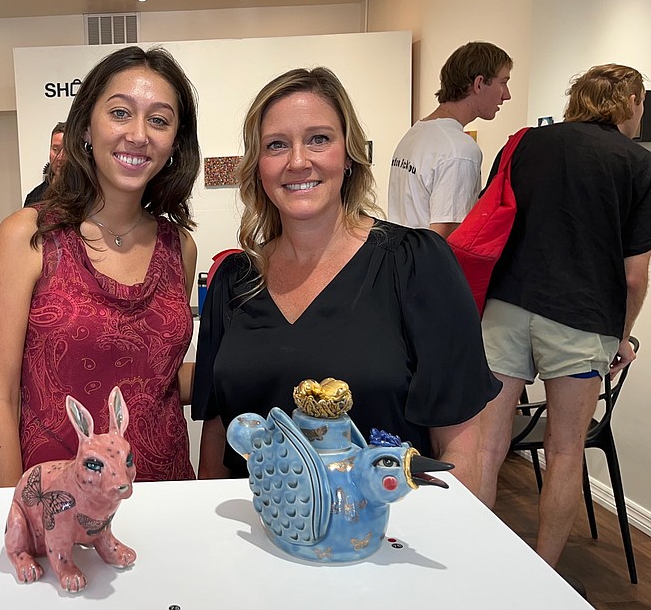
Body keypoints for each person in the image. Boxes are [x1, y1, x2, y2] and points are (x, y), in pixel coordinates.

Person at [193, 67, 500, 495]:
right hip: (260, 539)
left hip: (382, 542)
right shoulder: (235, 282)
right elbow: (217, 444)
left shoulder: (416, 265)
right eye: (276, 145)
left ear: (349, 153)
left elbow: (462, 448)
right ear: (258, 166)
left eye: (319, 139)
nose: (298, 161)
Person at [0, 46, 201, 487]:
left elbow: (155, 376)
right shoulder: (29, 236)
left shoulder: (180, 247)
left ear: (175, 143)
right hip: (58, 501)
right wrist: (15, 515)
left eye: (158, 120)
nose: (138, 135)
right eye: (120, 113)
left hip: (165, 493)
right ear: (85, 127)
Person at [476, 64, 651, 567]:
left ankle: (476, 563)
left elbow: (493, 221)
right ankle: (544, 573)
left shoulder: (525, 142)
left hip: (507, 307)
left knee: (488, 446)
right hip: (582, 320)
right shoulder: (637, 164)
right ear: (630, 102)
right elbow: (635, 277)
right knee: (566, 451)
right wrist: (625, 336)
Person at [388, 41, 512, 237]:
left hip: (401, 260)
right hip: (426, 266)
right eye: (503, 82)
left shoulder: (416, 133)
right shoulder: (460, 150)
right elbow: (445, 238)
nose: (507, 95)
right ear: (479, 83)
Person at [24, 122, 66, 206]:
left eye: (66, 150)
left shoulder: (87, 194)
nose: (60, 157)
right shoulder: (34, 197)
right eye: (55, 149)